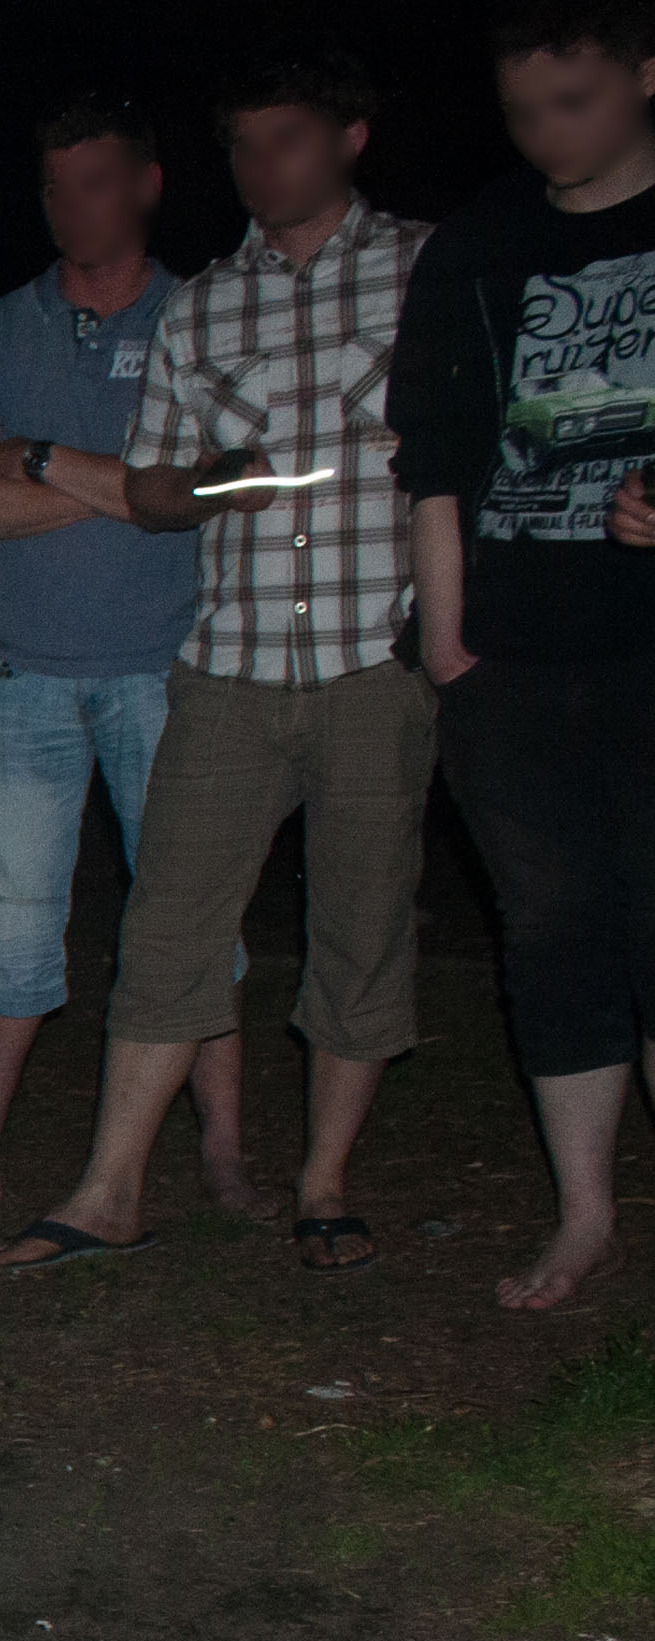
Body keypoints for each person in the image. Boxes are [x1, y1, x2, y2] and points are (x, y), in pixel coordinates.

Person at [0, 55, 438, 1276]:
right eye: (242, 141)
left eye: (284, 138)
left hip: (367, 657)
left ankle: (324, 1181)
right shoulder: (206, 305)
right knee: (170, 926)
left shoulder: (428, 269)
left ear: (348, 135)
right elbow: (149, 483)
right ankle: (109, 1188)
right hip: (228, 663)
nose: (260, 164)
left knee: (358, 923)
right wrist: (199, 489)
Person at [0, 99, 244, 1234]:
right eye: (55, 185)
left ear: (145, 184)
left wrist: (39, 456)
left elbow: (201, 493)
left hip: (172, 666)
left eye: (95, 181)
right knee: (7, 923)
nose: (71, 205)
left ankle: (227, 1156)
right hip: (15, 673)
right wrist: (127, 486)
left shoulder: (207, 317)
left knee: (194, 919)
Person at [394, 3, 655, 1312]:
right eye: (524, 111)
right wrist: (450, 648)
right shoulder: (479, 246)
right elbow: (432, 458)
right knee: (555, 929)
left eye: (578, 102)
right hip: (513, 658)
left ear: (644, 79)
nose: (551, 135)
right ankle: (586, 1214)